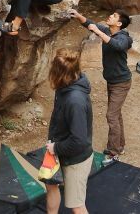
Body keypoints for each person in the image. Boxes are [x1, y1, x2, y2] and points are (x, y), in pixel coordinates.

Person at [70, 9, 133, 161]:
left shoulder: (124, 38)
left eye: (114, 16)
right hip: (112, 81)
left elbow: (117, 46)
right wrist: (79, 16)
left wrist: (98, 31)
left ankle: (113, 152)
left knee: (111, 115)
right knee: (116, 114)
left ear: (119, 23)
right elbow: (91, 24)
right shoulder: (108, 31)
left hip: (121, 83)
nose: (110, 15)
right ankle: (120, 146)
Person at [45, 48, 93, 214]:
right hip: (59, 149)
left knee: (76, 205)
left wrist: (55, 148)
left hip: (75, 159)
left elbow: (79, 141)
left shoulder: (75, 101)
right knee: (51, 184)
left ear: (59, 73)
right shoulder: (65, 86)